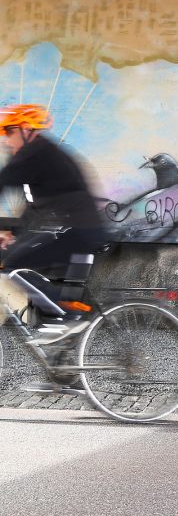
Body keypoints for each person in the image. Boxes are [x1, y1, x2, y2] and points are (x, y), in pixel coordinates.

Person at [0, 104, 107, 352]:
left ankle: (67, 319)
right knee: (24, 262)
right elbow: (35, 207)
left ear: (26, 130)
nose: (6, 140)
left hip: (78, 230)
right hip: (79, 228)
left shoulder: (34, 153)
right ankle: (62, 370)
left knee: (15, 265)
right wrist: (14, 234)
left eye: (8, 132)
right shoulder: (39, 155)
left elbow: (2, 182)